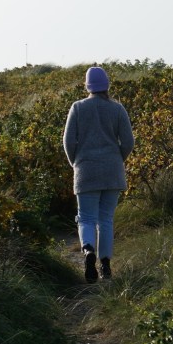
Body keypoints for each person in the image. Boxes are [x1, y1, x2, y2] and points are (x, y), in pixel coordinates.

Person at [62, 66, 134, 283]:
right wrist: (117, 160)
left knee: (86, 218)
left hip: (86, 171)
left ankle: (88, 251)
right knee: (106, 220)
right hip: (112, 172)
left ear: (87, 86)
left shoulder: (77, 107)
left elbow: (68, 141)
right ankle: (105, 265)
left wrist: (76, 163)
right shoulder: (118, 109)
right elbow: (128, 142)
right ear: (107, 85)